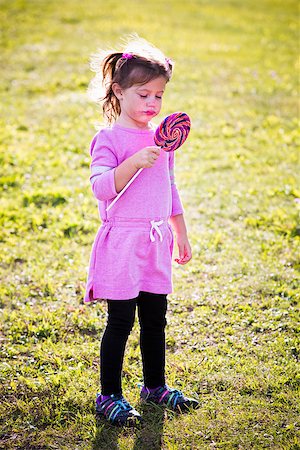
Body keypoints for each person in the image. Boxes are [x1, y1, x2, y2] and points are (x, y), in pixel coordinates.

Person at [85, 35, 199, 427]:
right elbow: (101, 186)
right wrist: (133, 162)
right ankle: (109, 395)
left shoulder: (162, 138)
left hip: (155, 241)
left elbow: (170, 188)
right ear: (118, 90)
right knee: (120, 321)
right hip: (122, 243)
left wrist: (180, 232)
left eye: (159, 96)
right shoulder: (109, 139)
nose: (152, 104)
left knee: (156, 318)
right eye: (143, 94)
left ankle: (154, 386)